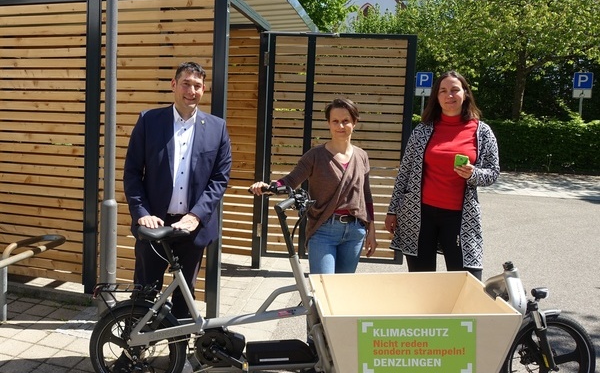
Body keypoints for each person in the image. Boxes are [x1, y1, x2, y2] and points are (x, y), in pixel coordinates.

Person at [123, 61, 232, 318]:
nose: (191, 91)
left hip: (191, 228)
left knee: (185, 293)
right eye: (186, 83)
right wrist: (142, 212)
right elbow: (132, 172)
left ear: (203, 89)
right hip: (154, 225)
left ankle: (178, 353)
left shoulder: (217, 128)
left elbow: (219, 179)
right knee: (145, 291)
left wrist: (195, 216)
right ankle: (134, 351)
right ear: (174, 85)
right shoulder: (149, 121)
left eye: (197, 85)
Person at [384, 71, 499, 280]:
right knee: (421, 283)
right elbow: (405, 173)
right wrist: (392, 211)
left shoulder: (482, 132)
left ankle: (461, 314)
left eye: (455, 90)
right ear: (436, 97)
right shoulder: (422, 130)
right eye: (443, 91)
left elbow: (493, 172)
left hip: (459, 217)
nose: (449, 96)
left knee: (467, 280)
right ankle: (424, 313)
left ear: (465, 93)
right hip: (418, 215)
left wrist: (474, 174)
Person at [249, 98, 378, 274]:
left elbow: (366, 195)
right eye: (335, 121)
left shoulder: (362, 156)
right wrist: (268, 187)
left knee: (342, 291)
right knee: (323, 288)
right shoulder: (315, 156)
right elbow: (290, 181)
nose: (340, 126)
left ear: (354, 122)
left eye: (345, 121)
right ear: (328, 124)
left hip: (355, 232)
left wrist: (371, 230)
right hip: (324, 230)